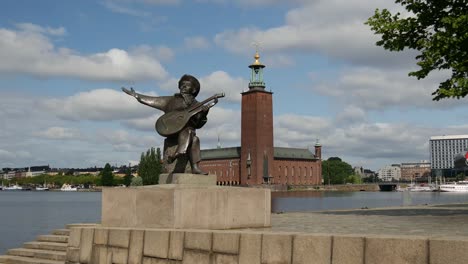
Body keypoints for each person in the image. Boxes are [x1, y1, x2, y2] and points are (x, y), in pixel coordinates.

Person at [122, 74, 209, 175]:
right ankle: (179, 152)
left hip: (187, 133)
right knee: (190, 132)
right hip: (170, 130)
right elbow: (153, 100)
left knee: (195, 139)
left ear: (194, 90)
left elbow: (197, 124)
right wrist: (137, 95)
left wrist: (204, 114)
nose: (183, 87)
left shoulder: (197, 105)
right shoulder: (170, 100)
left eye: (186, 85)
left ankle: (194, 167)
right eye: (181, 85)